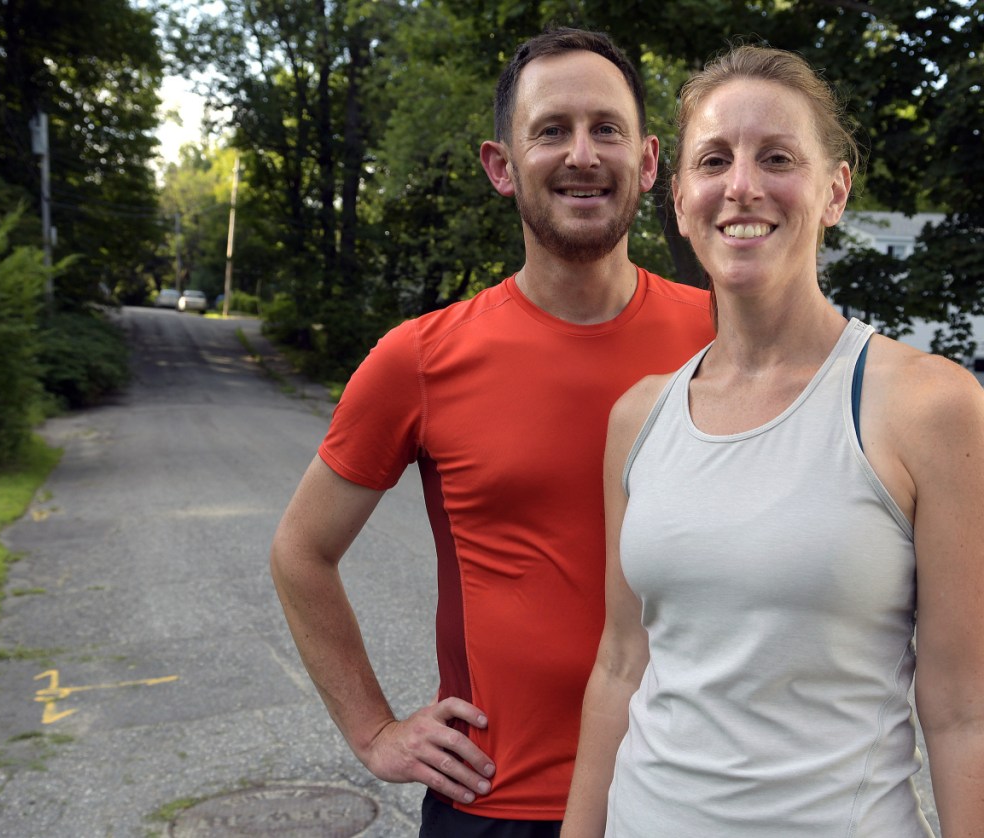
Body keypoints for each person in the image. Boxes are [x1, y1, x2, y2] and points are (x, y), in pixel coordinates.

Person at [269, 27, 714, 837]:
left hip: (695, 793)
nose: (582, 154)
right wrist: (373, 730)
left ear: (649, 163)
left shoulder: (725, 336)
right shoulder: (421, 358)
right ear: (501, 166)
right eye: (551, 130)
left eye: (606, 128)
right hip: (502, 805)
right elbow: (301, 553)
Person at [561, 43, 984, 837]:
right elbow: (622, 663)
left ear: (834, 191)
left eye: (778, 157)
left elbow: (966, 712)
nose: (743, 185)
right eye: (714, 160)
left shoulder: (929, 406)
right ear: (682, 198)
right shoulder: (639, 418)